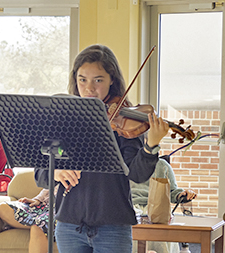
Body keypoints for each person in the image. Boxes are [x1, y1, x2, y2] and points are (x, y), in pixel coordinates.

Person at [38, 44, 166, 252]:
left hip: (113, 228)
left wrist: (151, 145)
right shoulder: (62, 119)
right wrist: (56, 171)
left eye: (98, 80)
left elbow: (137, 173)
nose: (89, 88)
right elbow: (40, 174)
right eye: (82, 80)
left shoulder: (124, 121)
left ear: (112, 80)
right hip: (69, 225)